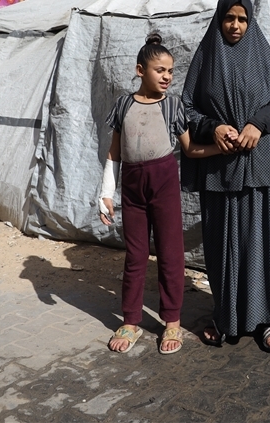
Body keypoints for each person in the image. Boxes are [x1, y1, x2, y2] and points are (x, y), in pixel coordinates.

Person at [181, 0, 270, 353]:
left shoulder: (262, 54)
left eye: (242, 19)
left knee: (263, 243)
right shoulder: (206, 57)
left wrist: (258, 124)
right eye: (229, 18)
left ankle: (268, 319)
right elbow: (187, 109)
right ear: (219, 19)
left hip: (264, 165)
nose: (235, 25)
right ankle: (226, 316)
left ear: (250, 22)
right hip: (222, 166)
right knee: (223, 244)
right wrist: (213, 126)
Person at [97, 34, 219, 355]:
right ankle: (131, 320)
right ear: (140, 70)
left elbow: (190, 148)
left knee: (170, 254)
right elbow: (114, 154)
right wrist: (106, 194)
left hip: (164, 184)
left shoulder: (173, 106)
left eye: (170, 71)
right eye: (159, 70)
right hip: (133, 189)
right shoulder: (124, 104)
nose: (167, 76)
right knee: (135, 256)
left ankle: (172, 321)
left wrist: (219, 147)